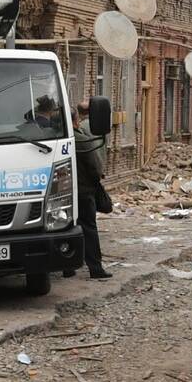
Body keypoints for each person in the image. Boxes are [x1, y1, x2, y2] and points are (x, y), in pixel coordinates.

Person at [74, 102, 111, 279]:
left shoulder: (63, 135)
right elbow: (94, 164)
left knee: (70, 226)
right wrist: (97, 179)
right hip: (83, 189)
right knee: (88, 227)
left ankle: (69, 266)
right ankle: (95, 267)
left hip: (63, 191)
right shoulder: (80, 137)